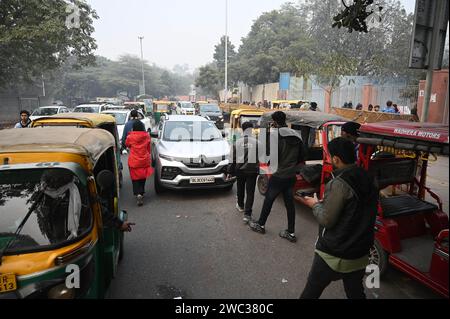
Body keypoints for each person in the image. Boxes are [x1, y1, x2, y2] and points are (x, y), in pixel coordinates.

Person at [297, 137, 378, 299]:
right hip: (360, 250)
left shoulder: (338, 183)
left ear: (336, 159)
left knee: (311, 290)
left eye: (329, 156)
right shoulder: (368, 176)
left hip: (334, 252)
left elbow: (327, 220)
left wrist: (314, 204)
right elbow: (355, 209)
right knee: (355, 292)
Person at [249, 111, 304, 243]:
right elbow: (302, 156)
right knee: (290, 204)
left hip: (279, 175)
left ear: (274, 122)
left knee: (269, 199)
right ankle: (291, 232)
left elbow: (270, 159)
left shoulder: (275, 136)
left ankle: (260, 225)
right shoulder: (296, 135)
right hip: (291, 176)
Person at [227, 122, 261, 224]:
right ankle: (247, 215)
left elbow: (232, 159)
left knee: (240, 188)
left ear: (242, 130)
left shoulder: (237, 142)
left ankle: (240, 205)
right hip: (252, 171)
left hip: (240, 170)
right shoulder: (258, 143)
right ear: (251, 130)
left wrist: (229, 172)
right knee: (250, 192)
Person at [125, 120, 153, 206]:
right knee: (142, 176)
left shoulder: (130, 137)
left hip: (134, 160)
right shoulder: (147, 136)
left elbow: (127, 144)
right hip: (144, 159)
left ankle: (138, 194)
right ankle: (141, 192)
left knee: (135, 178)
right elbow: (149, 148)